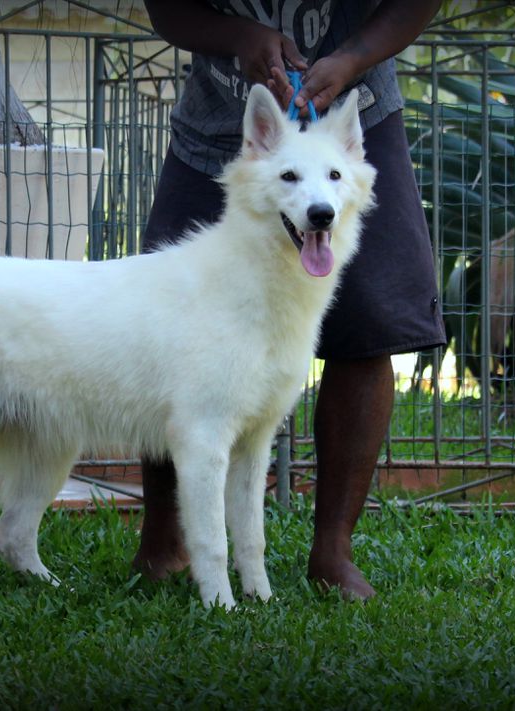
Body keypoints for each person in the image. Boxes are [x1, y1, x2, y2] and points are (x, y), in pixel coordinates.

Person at [133, 0, 445, 600]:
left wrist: (353, 56)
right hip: (217, 128)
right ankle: (162, 539)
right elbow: (168, 8)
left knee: (372, 320)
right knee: (165, 320)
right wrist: (238, 34)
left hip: (353, 122)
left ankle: (333, 549)